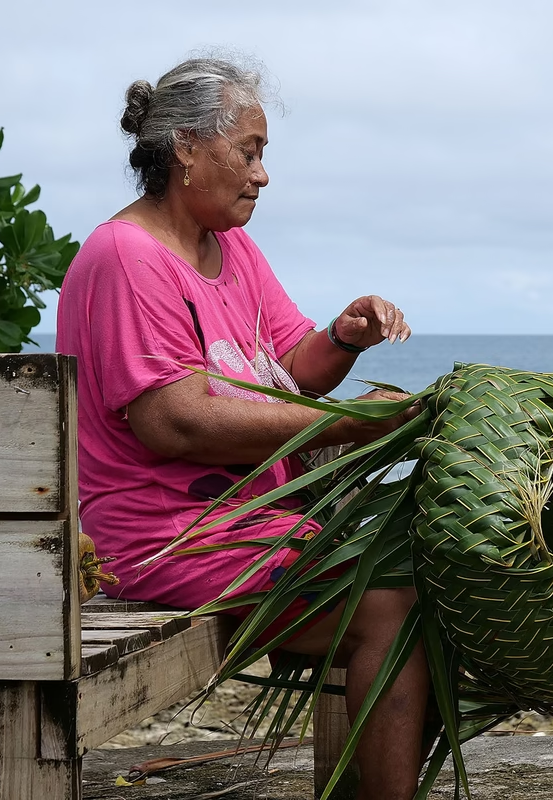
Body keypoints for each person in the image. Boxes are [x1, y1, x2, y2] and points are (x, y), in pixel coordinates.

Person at [56, 57, 428, 799]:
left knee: (425, 567)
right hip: (169, 534)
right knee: (393, 602)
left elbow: (294, 364)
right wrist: (354, 427)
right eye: (249, 151)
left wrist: (346, 337)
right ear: (186, 148)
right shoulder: (129, 258)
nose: (262, 175)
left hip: (248, 523)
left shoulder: (231, 247)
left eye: (263, 154)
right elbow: (173, 423)